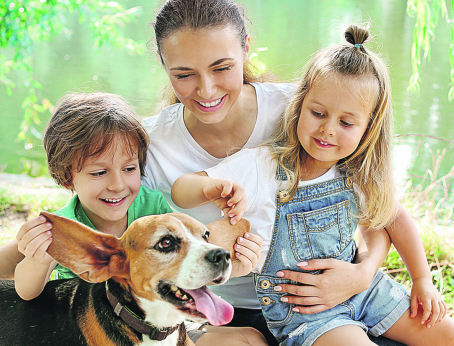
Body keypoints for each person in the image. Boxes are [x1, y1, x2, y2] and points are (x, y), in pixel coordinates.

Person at [171, 25, 454, 346]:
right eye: (318, 113)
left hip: (366, 291)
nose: (327, 130)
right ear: (299, 105)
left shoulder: (356, 172)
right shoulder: (264, 166)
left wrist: (422, 279)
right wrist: (209, 188)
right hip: (307, 312)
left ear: (367, 128)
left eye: (346, 122)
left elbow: (394, 218)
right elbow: (181, 190)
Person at [145, 1, 399, 345]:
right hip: (211, 314)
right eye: (184, 75)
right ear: (163, 65)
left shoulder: (305, 111)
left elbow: (380, 209)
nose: (206, 90)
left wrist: (363, 273)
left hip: (321, 303)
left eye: (222, 68)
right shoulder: (149, 145)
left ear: (246, 47)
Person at [5, 92, 265, 345]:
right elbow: (27, 292)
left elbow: (185, 263)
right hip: (93, 320)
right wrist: (39, 258)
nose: (117, 185)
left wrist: (232, 268)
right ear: (67, 177)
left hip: (167, 318)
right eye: (99, 173)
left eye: (129, 169)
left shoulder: (155, 209)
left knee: (250, 339)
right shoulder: (66, 229)